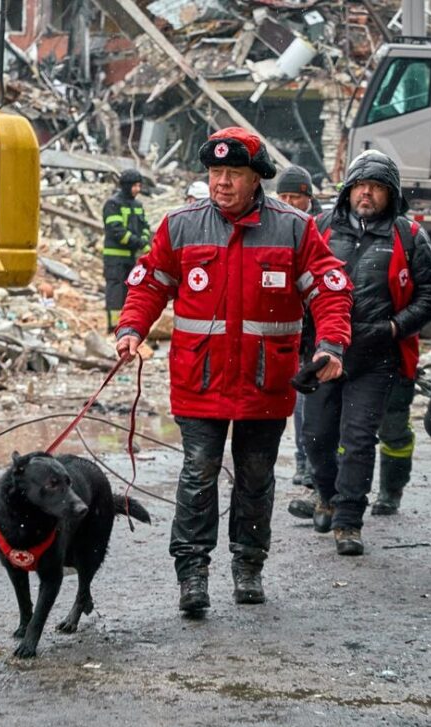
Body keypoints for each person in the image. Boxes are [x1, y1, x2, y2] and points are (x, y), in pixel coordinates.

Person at [114, 127, 353, 613]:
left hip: (266, 382)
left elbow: (329, 289)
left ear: (256, 177)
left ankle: (248, 566)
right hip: (199, 379)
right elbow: (149, 282)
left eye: (233, 173)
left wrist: (331, 344)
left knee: (256, 476)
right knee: (198, 474)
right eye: (215, 172)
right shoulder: (181, 225)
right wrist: (131, 328)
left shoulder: (293, 228)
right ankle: (192, 574)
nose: (221, 182)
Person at [302, 150, 431, 556]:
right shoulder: (321, 228)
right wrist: (300, 346)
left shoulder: (408, 236)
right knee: (315, 436)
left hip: (376, 355)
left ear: (391, 194)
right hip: (324, 353)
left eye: (377, 187)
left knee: (359, 440)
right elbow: (297, 284)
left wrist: (395, 327)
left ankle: (348, 521)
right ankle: (326, 496)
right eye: (361, 186)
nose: (366, 194)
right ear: (348, 189)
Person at [272, 165, 321, 512]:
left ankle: (311, 467)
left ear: (309, 198)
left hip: (318, 331)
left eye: (295, 197)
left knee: (309, 402)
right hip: (293, 330)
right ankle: (304, 463)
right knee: (299, 402)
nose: (289, 203)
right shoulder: (274, 225)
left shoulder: (319, 229)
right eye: (284, 197)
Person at [102, 169, 152, 332]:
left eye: (139, 185)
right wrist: (140, 244)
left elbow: (145, 226)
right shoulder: (113, 204)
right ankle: (114, 325)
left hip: (131, 258)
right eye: (135, 185)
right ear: (126, 186)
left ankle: (126, 324)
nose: (138, 189)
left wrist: (145, 239)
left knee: (130, 290)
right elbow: (117, 232)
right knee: (115, 289)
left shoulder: (138, 205)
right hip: (114, 257)